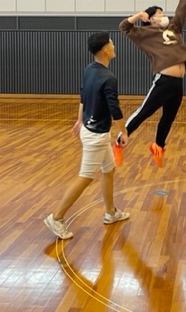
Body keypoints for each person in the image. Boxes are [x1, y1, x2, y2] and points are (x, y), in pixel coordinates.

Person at [44, 31, 130, 240]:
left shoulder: (89, 69)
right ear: (105, 50)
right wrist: (124, 131)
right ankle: (57, 217)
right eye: (111, 43)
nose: (114, 46)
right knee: (85, 177)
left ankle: (111, 212)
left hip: (91, 130)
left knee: (108, 170)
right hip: (96, 136)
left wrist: (80, 120)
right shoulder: (109, 78)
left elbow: (83, 96)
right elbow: (114, 109)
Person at [114, 0, 186, 168]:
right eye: (159, 13)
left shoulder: (174, 27)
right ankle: (118, 143)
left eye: (163, 12)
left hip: (178, 83)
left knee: (168, 117)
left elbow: (182, 9)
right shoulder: (144, 33)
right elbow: (124, 27)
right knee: (144, 113)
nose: (163, 15)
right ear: (151, 18)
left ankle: (158, 146)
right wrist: (138, 15)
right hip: (164, 80)